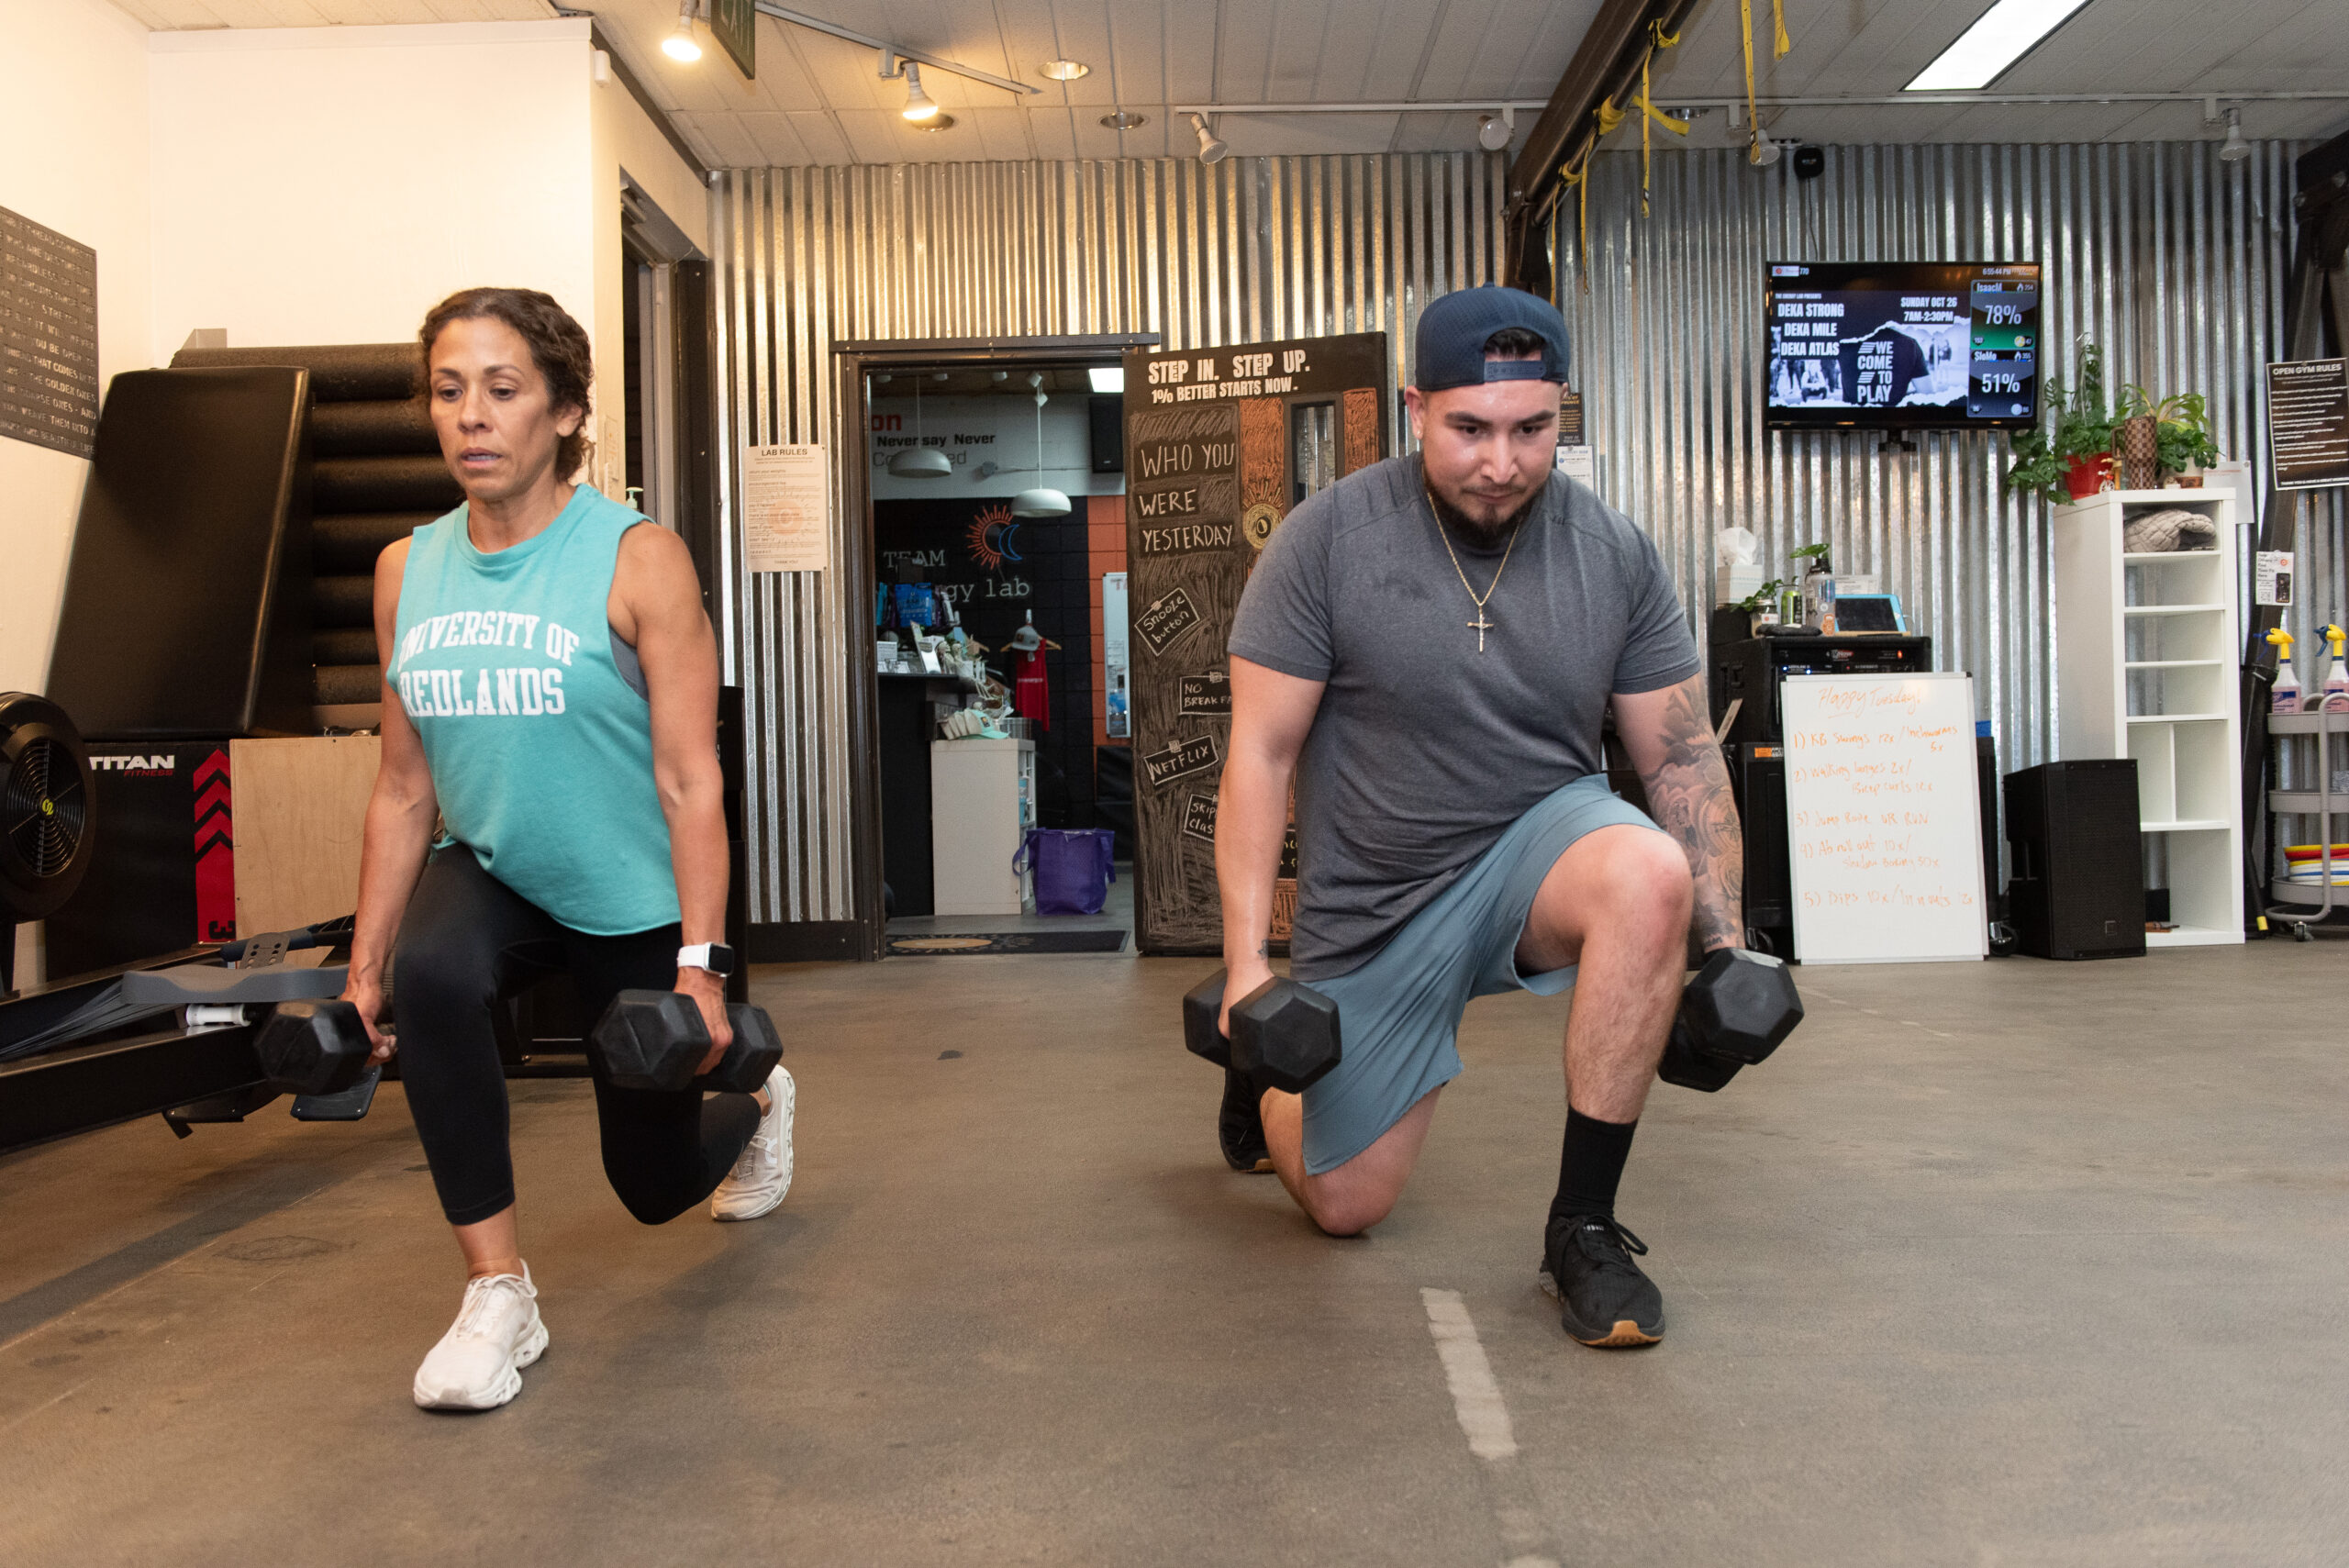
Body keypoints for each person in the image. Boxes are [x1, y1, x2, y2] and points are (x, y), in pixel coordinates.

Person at [1215, 284, 1742, 1349]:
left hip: (1540, 845)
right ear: (1415, 408)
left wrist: (1729, 942)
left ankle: (1582, 1227)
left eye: (1530, 428)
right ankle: (1266, 1096)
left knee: (1648, 874)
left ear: (1562, 413)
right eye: (1469, 428)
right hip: (1378, 897)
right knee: (1346, 1205)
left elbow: (1678, 753)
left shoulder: (1616, 553)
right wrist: (1245, 977)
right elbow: (1261, 755)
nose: (1500, 462)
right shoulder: (1324, 542)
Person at [342, 287, 795, 1411]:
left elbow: (693, 777)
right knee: (431, 972)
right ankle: (498, 1290)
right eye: (450, 391)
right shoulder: (408, 570)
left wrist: (703, 964)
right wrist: (364, 962)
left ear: (567, 412)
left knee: (650, 1187)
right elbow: (404, 785)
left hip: (630, 895)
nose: (471, 417)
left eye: (502, 390)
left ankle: (761, 1097)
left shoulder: (636, 560)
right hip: (492, 868)